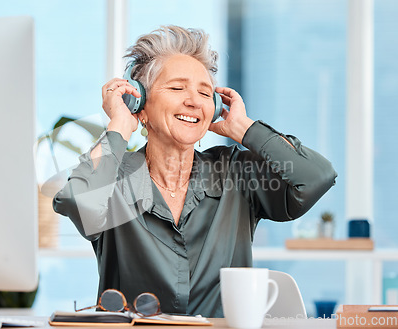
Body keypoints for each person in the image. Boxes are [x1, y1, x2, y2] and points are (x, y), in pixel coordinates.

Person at [53, 25, 337, 318]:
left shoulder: (235, 172)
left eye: (205, 93)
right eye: (177, 88)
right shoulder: (114, 177)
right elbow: (79, 201)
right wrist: (120, 126)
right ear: (140, 104)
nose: (193, 100)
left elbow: (316, 177)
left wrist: (244, 129)